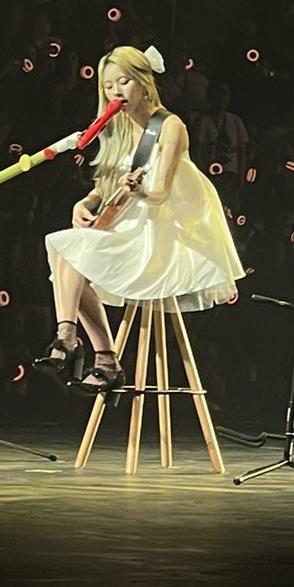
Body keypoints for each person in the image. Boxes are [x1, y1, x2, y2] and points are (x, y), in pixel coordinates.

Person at [37, 44, 244, 394]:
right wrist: (84, 202)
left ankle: (79, 346)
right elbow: (106, 184)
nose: (115, 92)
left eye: (124, 82)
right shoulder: (117, 127)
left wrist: (139, 191)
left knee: (65, 255)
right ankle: (84, 346)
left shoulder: (170, 126)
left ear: (144, 82)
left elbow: (160, 192)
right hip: (127, 224)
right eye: (108, 86)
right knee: (62, 252)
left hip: (161, 237)